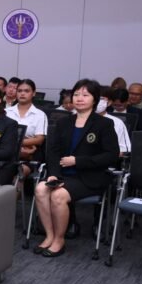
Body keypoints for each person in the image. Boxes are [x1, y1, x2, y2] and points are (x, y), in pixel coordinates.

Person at [33, 79, 119, 258]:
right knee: (40, 189)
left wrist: (78, 161)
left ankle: (59, 240)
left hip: (90, 177)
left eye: (85, 95)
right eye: (76, 94)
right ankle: (49, 235)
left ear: (94, 100)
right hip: (63, 174)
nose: (80, 98)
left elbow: (111, 155)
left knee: (58, 195)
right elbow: (53, 152)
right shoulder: (63, 122)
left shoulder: (104, 124)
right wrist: (53, 174)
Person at [6, 78, 48, 165]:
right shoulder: (6, 112)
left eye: (26, 91)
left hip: (30, 154)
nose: (22, 93)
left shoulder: (40, 114)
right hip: (7, 151)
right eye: (19, 91)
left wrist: (15, 143)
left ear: (34, 93)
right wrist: (18, 144)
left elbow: (39, 139)